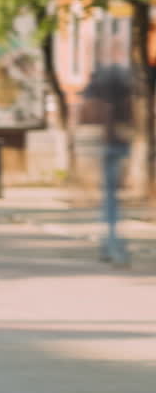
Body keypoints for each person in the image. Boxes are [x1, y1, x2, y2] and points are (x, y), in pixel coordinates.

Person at [83, 64, 134, 266]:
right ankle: (110, 243)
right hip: (118, 146)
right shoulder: (124, 94)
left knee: (110, 198)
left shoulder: (101, 95)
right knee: (111, 198)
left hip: (108, 147)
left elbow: (91, 115)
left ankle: (111, 244)